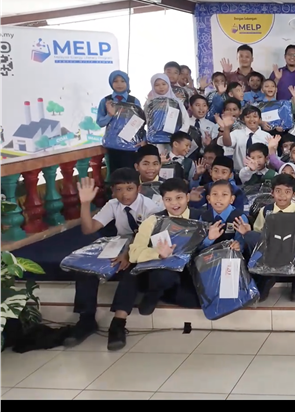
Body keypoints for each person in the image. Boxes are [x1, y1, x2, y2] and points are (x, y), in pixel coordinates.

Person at [65, 169, 158, 350]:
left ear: (138, 189)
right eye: (119, 189)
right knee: (85, 269)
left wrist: (129, 254)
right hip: (120, 245)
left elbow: (149, 239)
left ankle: (118, 323)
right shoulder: (113, 204)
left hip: (144, 247)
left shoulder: (150, 208)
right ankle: (86, 319)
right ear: (113, 191)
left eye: (129, 189)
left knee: (131, 271)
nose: (124, 194)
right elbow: (88, 229)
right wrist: (85, 203)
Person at [127, 178, 205, 321]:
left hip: (189, 273)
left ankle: (165, 293)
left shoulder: (201, 218)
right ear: (162, 200)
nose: (174, 203)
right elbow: (133, 253)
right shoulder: (153, 221)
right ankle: (153, 294)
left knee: (198, 300)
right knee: (163, 276)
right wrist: (157, 253)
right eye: (168, 199)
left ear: (188, 197)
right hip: (162, 271)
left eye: (179, 198)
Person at [238, 173, 295, 302]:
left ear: (294, 194)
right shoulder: (266, 210)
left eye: (287, 192)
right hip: (272, 248)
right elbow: (259, 232)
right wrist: (248, 232)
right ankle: (266, 277)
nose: (282, 195)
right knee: (250, 236)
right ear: (272, 192)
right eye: (278, 191)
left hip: (293, 248)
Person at [98, 70, 141, 172]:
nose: (119, 84)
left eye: (122, 81)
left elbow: (139, 122)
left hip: (130, 145)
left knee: (130, 173)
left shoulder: (134, 101)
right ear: (111, 83)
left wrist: (142, 139)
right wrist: (109, 115)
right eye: (115, 81)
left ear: (127, 82)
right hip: (112, 145)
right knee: (115, 174)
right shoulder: (106, 101)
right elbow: (100, 122)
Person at [217, 105, 273, 173]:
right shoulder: (237, 133)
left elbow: (271, 158)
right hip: (239, 173)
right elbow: (227, 143)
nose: (251, 119)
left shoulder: (267, 136)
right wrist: (226, 128)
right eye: (248, 117)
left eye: (255, 116)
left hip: (260, 174)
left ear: (260, 119)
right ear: (243, 119)